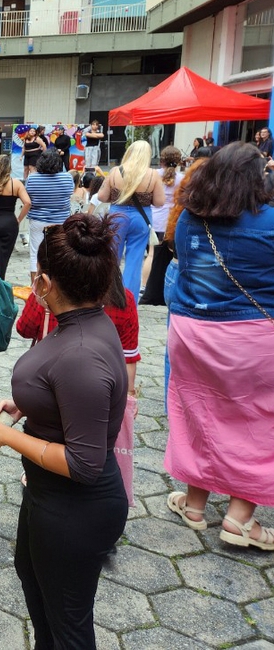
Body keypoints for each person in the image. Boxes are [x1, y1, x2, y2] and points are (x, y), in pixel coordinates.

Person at [0, 215, 129, 648]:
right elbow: (72, 401)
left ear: (44, 284)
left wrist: (9, 436)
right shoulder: (86, 324)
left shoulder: (81, 353)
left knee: (68, 625)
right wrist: (28, 405)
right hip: (50, 498)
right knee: (35, 583)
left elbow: (84, 463)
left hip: (75, 508)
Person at [164, 141, 274, 551]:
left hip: (192, 332)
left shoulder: (191, 219)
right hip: (253, 338)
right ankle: (240, 519)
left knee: (198, 412)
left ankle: (194, 506)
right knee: (258, 425)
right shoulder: (269, 222)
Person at [97, 140, 165, 302]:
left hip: (117, 216)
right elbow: (159, 202)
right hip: (141, 218)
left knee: (111, 259)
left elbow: (101, 196)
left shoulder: (115, 172)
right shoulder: (152, 174)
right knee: (135, 261)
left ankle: (107, 298)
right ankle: (129, 303)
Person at [140, 146, 183, 305]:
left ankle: (145, 288)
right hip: (173, 222)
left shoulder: (153, 175)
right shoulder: (182, 178)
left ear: (162, 159)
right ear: (178, 161)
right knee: (171, 258)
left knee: (152, 255)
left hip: (154, 220)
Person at [24, 151, 74, 285]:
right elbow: (69, 194)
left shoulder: (32, 178)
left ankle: (36, 289)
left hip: (38, 220)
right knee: (59, 253)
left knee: (35, 254)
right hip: (60, 221)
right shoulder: (67, 178)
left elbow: (28, 197)